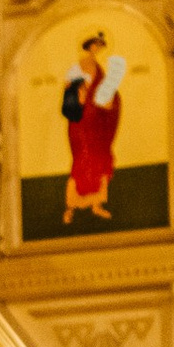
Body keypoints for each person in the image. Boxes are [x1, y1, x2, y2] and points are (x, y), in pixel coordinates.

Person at [60, 31, 124, 224]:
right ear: (89, 47)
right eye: (95, 45)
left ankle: (97, 205)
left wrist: (110, 102)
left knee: (99, 162)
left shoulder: (98, 67)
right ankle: (70, 209)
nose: (97, 49)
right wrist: (82, 96)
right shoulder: (81, 65)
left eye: (100, 46)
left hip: (96, 123)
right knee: (82, 163)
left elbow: (101, 94)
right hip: (82, 124)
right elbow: (71, 88)